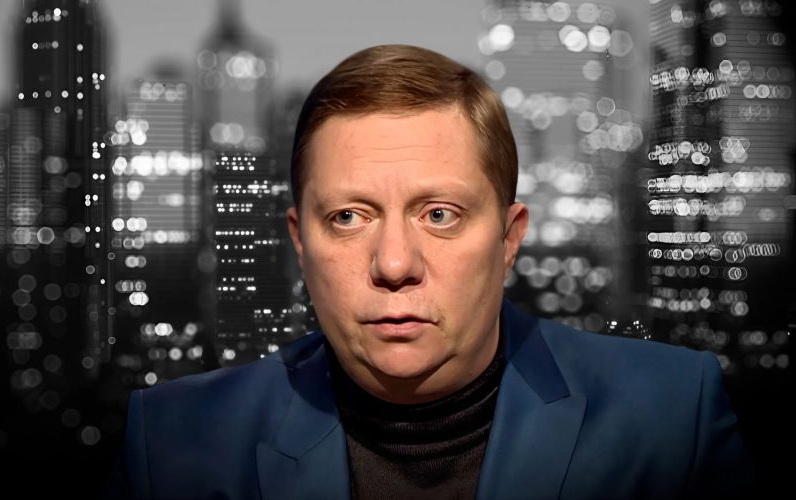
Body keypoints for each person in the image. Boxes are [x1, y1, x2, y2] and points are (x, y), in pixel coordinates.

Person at [105, 44, 752, 499]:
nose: (394, 264)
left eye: (439, 214)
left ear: (508, 239)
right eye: (349, 217)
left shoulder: (673, 419)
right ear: (300, 243)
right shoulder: (173, 445)